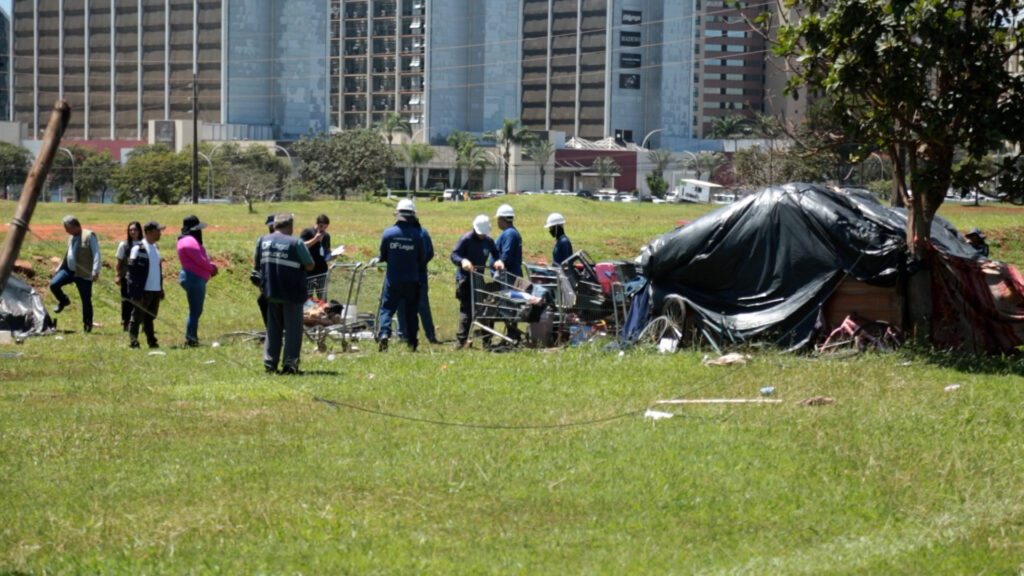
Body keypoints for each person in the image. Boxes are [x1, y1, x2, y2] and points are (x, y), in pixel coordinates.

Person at [254, 213, 313, 374]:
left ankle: (269, 363)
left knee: (273, 329)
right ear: (290, 226)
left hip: (271, 291)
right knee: (293, 330)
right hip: (292, 292)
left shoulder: (263, 240)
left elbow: (257, 264)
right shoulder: (296, 242)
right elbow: (309, 265)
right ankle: (290, 363)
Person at [376, 198, 425, 352]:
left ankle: (384, 333)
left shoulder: (388, 233)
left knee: (387, 309)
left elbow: (382, 255)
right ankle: (412, 341)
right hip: (411, 279)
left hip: (393, 280)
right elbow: (422, 256)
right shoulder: (418, 234)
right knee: (411, 311)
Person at [450, 214, 503, 349]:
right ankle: (461, 341)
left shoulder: (489, 241)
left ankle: (486, 340)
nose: (482, 236)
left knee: (485, 309)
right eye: (480, 234)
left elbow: (496, 254)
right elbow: (454, 255)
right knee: (467, 310)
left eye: (484, 234)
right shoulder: (466, 239)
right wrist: (463, 261)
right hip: (465, 279)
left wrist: (498, 260)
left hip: (478, 280)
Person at [49, 215, 101, 333]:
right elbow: (68, 253)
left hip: (84, 274)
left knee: (86, 300)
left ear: (75, 226)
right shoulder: (71, 237)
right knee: (54, 284)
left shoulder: (89, 236)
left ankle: (87, 326)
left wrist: (95, 270)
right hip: (69, 270)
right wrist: (59, 267)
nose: (66, 231)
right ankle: (64, 301)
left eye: (67, 228)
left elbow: (97, 253)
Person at [396, 207, 438, 344]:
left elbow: (429, 253)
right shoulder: (420, 232)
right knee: (414, 306)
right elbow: (429, 253)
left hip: (409, 276)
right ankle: (426, 335)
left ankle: (409, 334)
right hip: (416, 275)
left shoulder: (419, 232)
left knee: (416, 305)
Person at [177, 215, 219, 347]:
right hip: (194, 278)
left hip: (192, 277)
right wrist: (212, 268)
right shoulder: (190, 241)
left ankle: (191, 337)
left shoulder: (184, 240)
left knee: (195, 310)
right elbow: (200, 260)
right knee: (195, 311)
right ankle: (191, 339)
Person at [126, 221, 166, 349]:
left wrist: (161, 288)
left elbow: (158, 270)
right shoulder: (138, 249)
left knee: (150, 317)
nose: (160, 233)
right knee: (136, 317)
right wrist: (136, 293)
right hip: (143, 290)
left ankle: (152, 341)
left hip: (155, 289)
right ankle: (134, 342)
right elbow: (132, 273)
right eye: (157, 231)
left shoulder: (156, 248)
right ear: (148, 232)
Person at [494, 203, 524, 341]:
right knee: (510, 305)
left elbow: (505, 255)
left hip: (508, 276)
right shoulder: (511, 232)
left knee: (509, 305)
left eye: (498, 219)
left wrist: (498, 265)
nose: (497, 222)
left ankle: (512, 334)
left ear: (502, 219)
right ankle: (512, 333)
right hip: (511, 274)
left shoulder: (510, 234)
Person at [114, 221, 143, 332]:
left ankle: (142, 323)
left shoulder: (144, 244)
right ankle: (126, 323)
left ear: (139, 231)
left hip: (141, 277)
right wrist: (117, 275)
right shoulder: (124, 245)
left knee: (141, 301)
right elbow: (119, 262)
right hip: (127, 277)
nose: (132, 232)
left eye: (135, 229)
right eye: (130, 230)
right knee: (126, 301)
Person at [301, 214, 333, 300]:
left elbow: (327, 251)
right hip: (309, 271)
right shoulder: (307, 232)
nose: (323, 229)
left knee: (322, 299)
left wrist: (333, 255)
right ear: (316, 223)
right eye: (321, 226)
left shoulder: (326, 236)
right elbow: (302, 246)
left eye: (325, 227)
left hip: (322, 271)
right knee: (307, 299)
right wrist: (315, 239)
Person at [251, 214, 276, 328]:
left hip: (269, 280)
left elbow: (257, 261)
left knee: (264, 301)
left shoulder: (262, 240)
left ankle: (271, 329)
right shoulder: (289, 240)